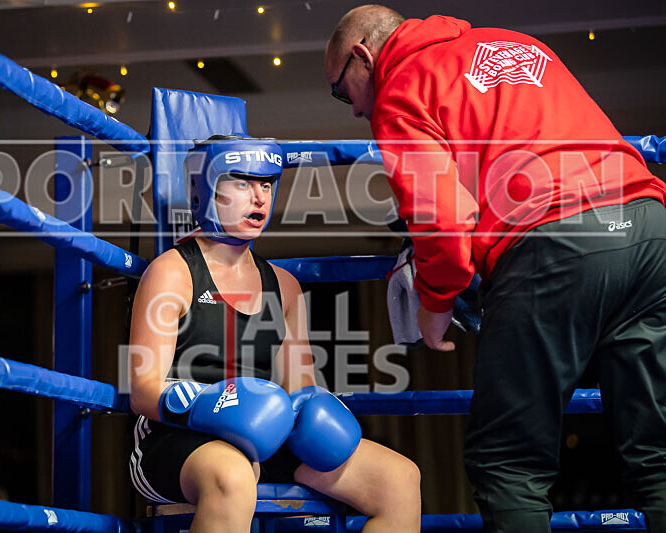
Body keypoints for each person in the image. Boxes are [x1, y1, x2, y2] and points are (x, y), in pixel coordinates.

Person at [324, 5, 666, 533]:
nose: (351, 111)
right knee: (658, 454)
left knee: (507, 465)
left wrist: (435, 304)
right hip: (647, 228)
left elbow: (443, 217)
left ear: (364, 56)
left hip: (556, 242)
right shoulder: (515, 42)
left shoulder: (402, 87)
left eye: (342, 92)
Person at [127, 135, 421, 532]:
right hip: (176, 438)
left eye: (266, 184)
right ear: (206, 187)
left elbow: (300, 386)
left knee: (398, 479)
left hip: (261, 435)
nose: (259, 198)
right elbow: (143, 389)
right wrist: (213, 406)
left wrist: (310, 409)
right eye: (243, 183)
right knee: (232, 475)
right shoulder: (173, 272)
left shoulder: (283, 286)